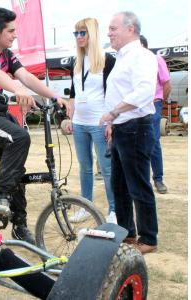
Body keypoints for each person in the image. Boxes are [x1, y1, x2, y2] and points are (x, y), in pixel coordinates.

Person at [0, 7, 64, 244]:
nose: (15, 35)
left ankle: (19, 225)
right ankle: (0, 195)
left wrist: (54, 97)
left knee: (16, 170)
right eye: (11, 30)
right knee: (20, 138)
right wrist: (17, 90)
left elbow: (26, 76)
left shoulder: (8, 55)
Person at [99, 11, 158, 254]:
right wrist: (114, 124)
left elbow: (143, 92)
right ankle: (126, 232)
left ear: (130, 29)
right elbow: (119, 91)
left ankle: (149, 238)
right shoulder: (122, 57)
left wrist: (114, 113)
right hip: (123, 127)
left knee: (138, 185)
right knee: (120, 185)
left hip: (136, 127)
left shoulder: (142, 56)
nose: (109, 33)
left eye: (113, 28)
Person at [64, 17, 117, 224]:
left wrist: (111, 122)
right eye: (76, 33)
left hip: (99, 123)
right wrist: (70, 115)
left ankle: (114, 210)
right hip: (79, 123)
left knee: (107, 168)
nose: (78, 37)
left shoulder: (108, 60)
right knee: (84, 167)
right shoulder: (76, 62)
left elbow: (114, 94)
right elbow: (75, 93)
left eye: (82, 33)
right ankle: (86, 206)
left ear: (92, 34)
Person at [140, 35, 171, 194]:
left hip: (153, 103)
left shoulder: (156, 59)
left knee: (153, 142)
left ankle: (158, 179)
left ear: (143, 45)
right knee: (137, 142)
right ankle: (142, 179)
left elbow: (166, 83)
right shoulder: (132, 62)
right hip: (136, 106)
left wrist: (159, 102)